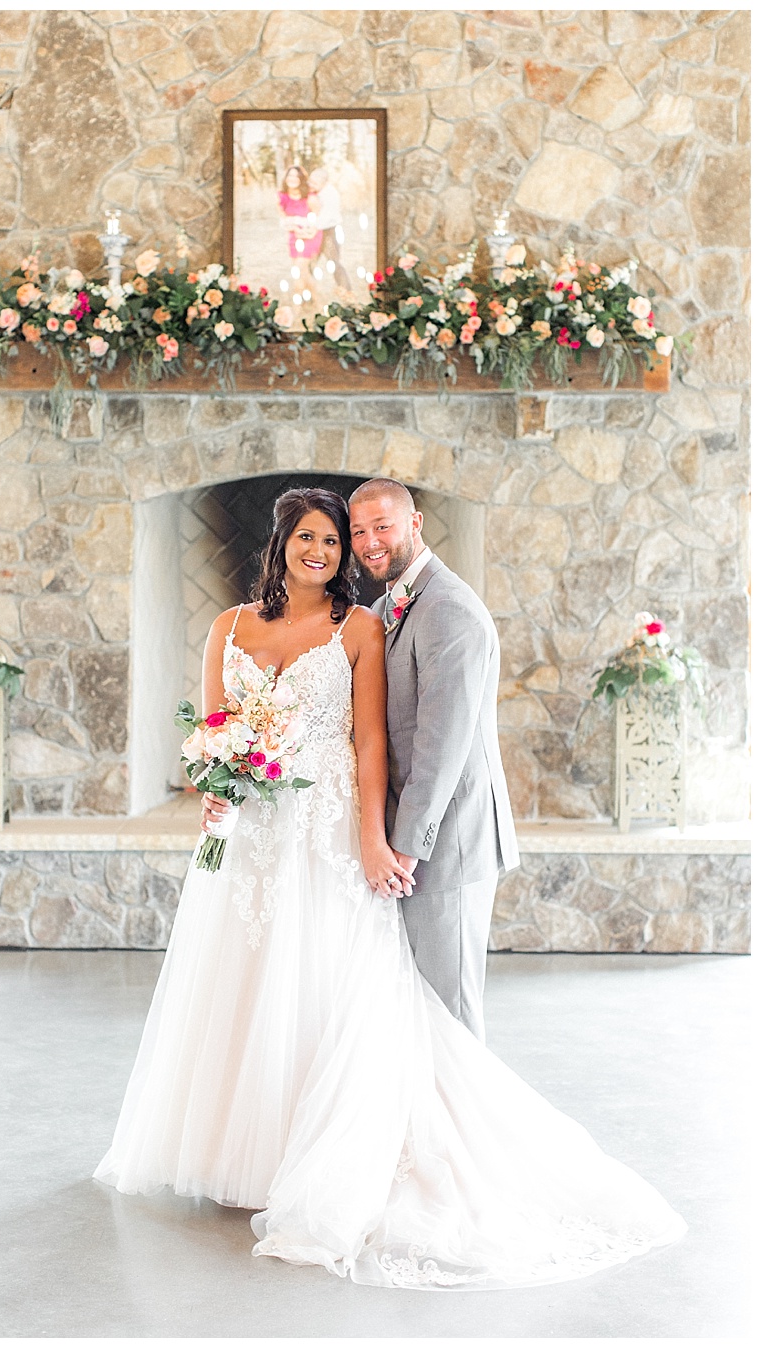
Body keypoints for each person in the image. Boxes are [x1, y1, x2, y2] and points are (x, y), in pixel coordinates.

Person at [94, 487, 685, 1289]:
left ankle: (440, 1148)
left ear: (397, 533)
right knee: (249, 980)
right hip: (254, 836)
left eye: (338, 541)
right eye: (315, 537)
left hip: (336, 828)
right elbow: (211, 730)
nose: (328, 551)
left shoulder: (370, 624)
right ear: (281, 543)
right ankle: (251, 1152)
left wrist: (380, 840)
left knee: (384, 992)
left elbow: (378, 743)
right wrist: (212, 780)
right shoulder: (227, 626)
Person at [349, 477, 518, 1036]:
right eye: (358, 532)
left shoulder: (449, 609)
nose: (370, 542)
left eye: (383, 526)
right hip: (412, 841)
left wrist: (404, 847)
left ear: (414, 524)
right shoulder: (385, 607)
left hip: (447, 843)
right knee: (415, 1006)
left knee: (451, 1012)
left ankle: (465, 1126)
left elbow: (441, 743)